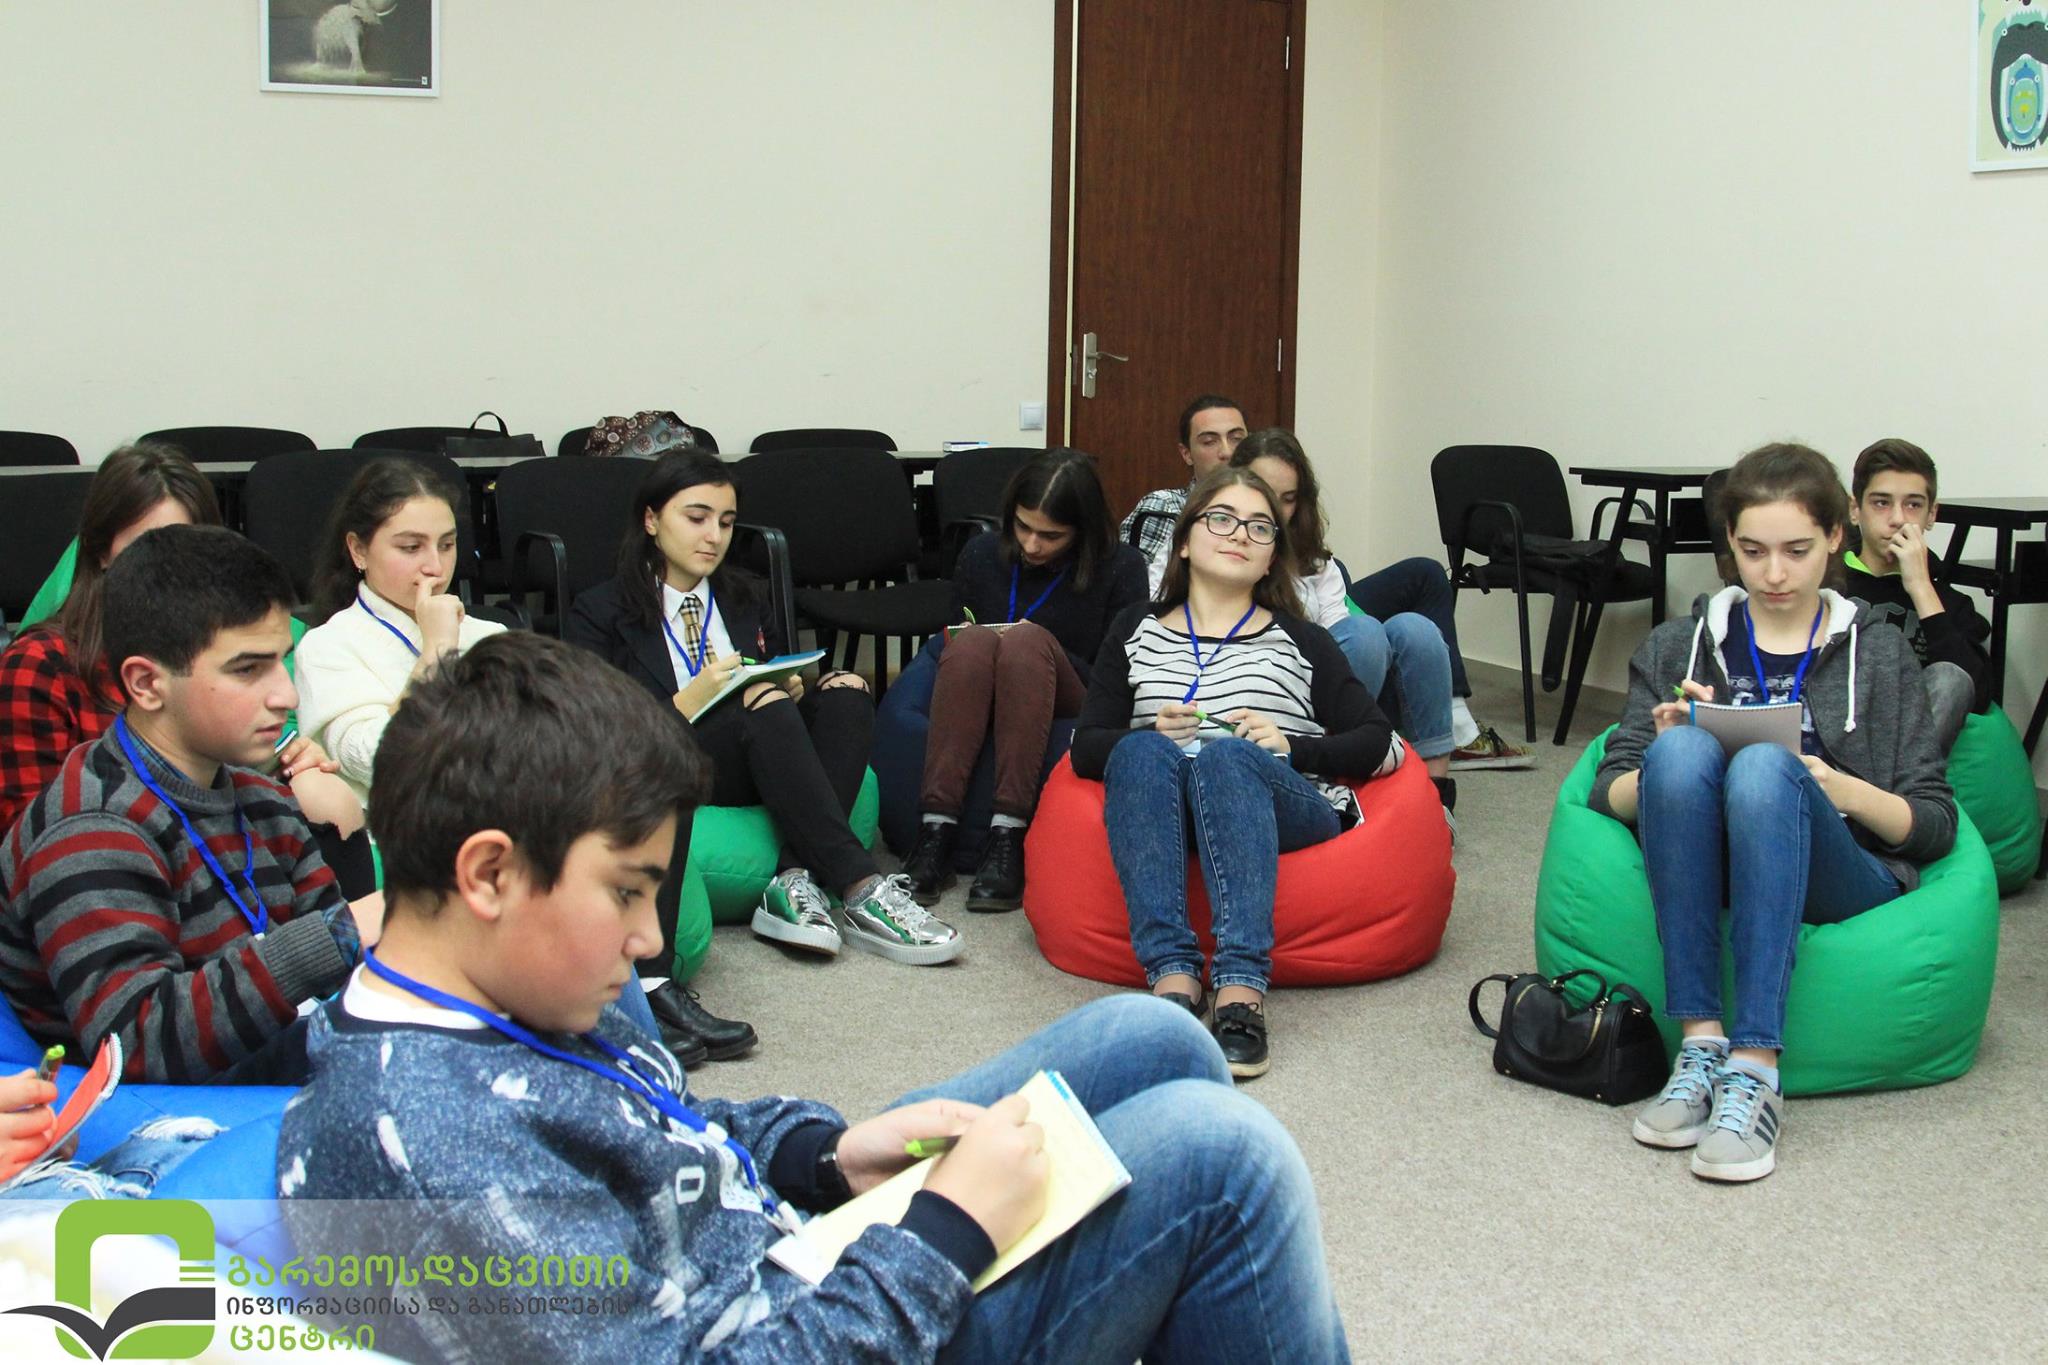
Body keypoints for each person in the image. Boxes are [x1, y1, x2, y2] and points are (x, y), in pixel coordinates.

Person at [277, 631, 1350, 1364]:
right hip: (819, 1323)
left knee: (1158, 1037)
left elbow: (661, 1134)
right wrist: (945, 1231)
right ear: (488, 872)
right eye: (628, 892)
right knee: (1223, 1155)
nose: (649, 941)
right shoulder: (430, 1143)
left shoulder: (511, 981)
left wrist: (822, 1155)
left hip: (793, 1248)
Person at [1589, 443, 1957, 1183]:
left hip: (1839, 865)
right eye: (1753, 551)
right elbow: (1607, 792)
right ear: (1730, 544)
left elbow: (1935, 823)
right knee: (1681, 752)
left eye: (1797, 550)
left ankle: (1756, 1067)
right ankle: (1701, 1046)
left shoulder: (1881, 654)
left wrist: (1839, 790)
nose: (1775, 574)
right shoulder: (1679, 644)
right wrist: (1661, 756)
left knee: (1761, 766)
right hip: (1712, 856)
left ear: (1835, 538)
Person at [0, 526, 382, 1083]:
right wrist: (341, 932)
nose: (287, 695)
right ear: (146, 684)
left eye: (282, 661)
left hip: (271, 1078)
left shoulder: (267, 801)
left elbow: (341, 987)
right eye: (247, 669)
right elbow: (133, 1045)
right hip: (156, 1112)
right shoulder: (88, 828)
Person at [566, 450, 961, 967]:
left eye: (726, 522)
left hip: (762, 752)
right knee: (760, 703)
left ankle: (792, 878)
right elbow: (596, 736)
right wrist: (692, 699)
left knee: (846, 689)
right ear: (651, 520)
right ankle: (860, 883)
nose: (714, 537)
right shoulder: (600, 611)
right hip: (671, 760)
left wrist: (788, 688)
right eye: (696, 518)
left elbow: (772, 675)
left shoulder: (744, 597)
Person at [1072, 467, 1403, 1078]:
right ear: (1184, 540)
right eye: (1221, 519)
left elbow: (1381, 742)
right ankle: (1173, 981)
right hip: (1162, 802)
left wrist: (1292, 746)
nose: (1240, 535)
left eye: (1259, 527)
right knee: (1139, 752)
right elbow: (1085, 748)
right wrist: (1149, 736)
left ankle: (1240, 991)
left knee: (1226, 756)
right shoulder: (1135, 628)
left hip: (1278, 802)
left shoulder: (1303, 639)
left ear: (1272, 554)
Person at [0, 443, 359, 848]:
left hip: (220, 853)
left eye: (188, 548)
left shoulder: (220, 656)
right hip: (109, 862)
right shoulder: (40, 663)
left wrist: (285, 765)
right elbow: (29, 841)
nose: (170, 570)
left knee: (324, 798)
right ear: (101, 552)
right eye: (146, 546)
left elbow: (235, 778)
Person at [899, 450, 1149, 909]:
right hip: (979, 681)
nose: (1032, 545)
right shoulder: (981, 554)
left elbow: (1117, 672)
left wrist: (1036, 644)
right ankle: (936, 830)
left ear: (1083, 530)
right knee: (973, 641)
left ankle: (1008, 834)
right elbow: (952, 631)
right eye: (1023, 527)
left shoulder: (1122, 567)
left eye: (1051, 535)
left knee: (1026, 642)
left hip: (1073, 688)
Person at [1232, 429, 1460, 828]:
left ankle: (1435, 792)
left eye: (1288, 499)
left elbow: (1342, 645)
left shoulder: (1317, 564)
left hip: (1335, 692)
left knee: (1416, 630)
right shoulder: (1223, 547)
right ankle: (1335, 771)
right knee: (1368, 631)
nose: (1277, 511)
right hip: (1273, 700)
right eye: (1264, 493)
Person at [292, 458, 507, 810]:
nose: (435, 568)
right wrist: (437, 652)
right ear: (358, 550)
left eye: (446, 545)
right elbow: (377, 761)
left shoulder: (491, 634)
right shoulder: (327, 645)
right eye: (411, 548)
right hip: (397, 834)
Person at [1842, 437, 1990, 756]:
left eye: (1913, 505)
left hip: (1905, 754)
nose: (1897, 518)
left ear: (1931, 515)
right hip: (1834, 735)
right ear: (1855, 510)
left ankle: (1884, 788)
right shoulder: (1826, 583)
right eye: (1881, 503)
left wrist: (1921, 587)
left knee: (1951, 677)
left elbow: (1974, 695)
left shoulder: (1949, 602)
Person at [1119, 394, 1248, 595]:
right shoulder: (1164, 507)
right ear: (1186, 454)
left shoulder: (1268, 509)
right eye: (1209, 442)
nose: (1227, 452)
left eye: (1237, 439)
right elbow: (1133, 593)